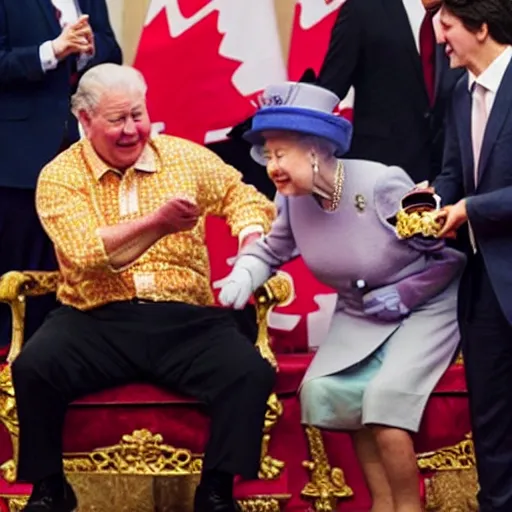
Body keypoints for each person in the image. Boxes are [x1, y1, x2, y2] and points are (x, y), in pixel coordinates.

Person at [10, 63, 276, 512]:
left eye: (138, 114)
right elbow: (87, 253)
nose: (133, 129)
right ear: (85, 120)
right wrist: (159, 223)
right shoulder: (60, 176)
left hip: (184, 319)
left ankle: (215, 490)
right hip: (94, 317)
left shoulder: (183, 157)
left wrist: (250, 245)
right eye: (117, 119)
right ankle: (50, 488)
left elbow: (243, 196)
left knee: (249, 372)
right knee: (34, 367)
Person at [217, 82, 466, 512]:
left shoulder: (382, 183)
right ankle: (382, 503)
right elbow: (272, 250)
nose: (272, 166)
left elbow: (451, 258)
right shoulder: (293, 201)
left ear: (314, 150)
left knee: (385, 404)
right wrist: (245, 272)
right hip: (360, 313)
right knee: (331, 393)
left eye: (280, 154)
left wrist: (405, 293)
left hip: (424, 305)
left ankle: (409, 508)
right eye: (268, 155)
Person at [0, 0, 122, 355]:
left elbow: (112, 50)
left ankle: (54, 356)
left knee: (71, 266)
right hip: (17, 159)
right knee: (17, 267)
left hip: (80, 153)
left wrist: (86, 51)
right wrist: (52, 51)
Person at [432, 1, 512, 510]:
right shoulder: (459, 94)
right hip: (484, 288)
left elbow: (474, 198)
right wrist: (430, 204)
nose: (441, 40)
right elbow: (452, 175)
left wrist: (470, 209)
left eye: (447, 28)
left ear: (481, 28)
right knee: (492, 423)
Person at [316, 0, 461, 184]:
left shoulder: (462, 13)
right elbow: (330, 88)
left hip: (445, 174)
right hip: (380, 170)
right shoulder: (363, 9)